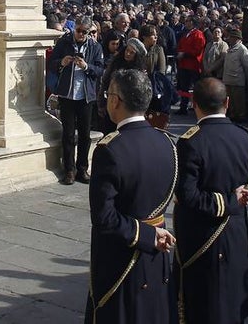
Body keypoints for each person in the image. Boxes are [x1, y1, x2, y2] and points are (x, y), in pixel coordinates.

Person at [85, 68, 177, 324]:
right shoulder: (167, 142)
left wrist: (146, 235)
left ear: (115, 100)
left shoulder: (109, 149)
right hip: (159, 250)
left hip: (122, 256)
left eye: (108, 94)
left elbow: (104, 218)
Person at [174, 76, 248, 323]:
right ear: (227, 103)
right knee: (232, 301)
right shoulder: (247, 138)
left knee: (203, 304)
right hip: (237, 232)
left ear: (195, 104)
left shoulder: (191, 141)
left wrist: (226, 202)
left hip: (203, 235)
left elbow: (187, 195)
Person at [48, 16, 104, 185]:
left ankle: (82, 168)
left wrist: (86, 67)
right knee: (68, 134)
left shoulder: (95, 46)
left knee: (85, 134)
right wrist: (62, 62)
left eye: (84, 32)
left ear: (89, 32)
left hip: (86, 96)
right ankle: (69, 170)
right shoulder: (64, 42)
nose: (80, 34)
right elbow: (51, 63)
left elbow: (100, 70)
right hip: (68, 94)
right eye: (78, 31)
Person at [221, 24, 248, 124]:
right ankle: (232, 115)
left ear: (236, 38)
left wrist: (244, 77)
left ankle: (240, 116)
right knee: (230, 101)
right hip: (227, 79)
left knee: (238, 101)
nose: (229, 39)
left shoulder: (242, 49)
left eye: (231, 37)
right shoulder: (230, 49)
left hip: (237, 80)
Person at [175, 16, 206, 114]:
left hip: (193, 65)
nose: (185, 23)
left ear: (192, 22)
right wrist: (179, 53)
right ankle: (183, 107)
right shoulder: (186, 34)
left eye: (188, 21)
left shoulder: (198, 34)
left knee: (196, 88)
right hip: (183, 64)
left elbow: (198, 50)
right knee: (184, 88)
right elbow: (180, 45)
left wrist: (184, 53)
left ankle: (198, 108)